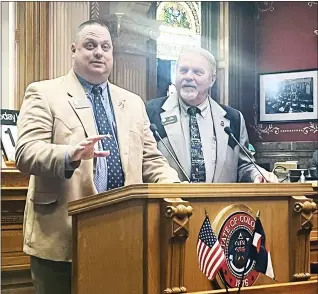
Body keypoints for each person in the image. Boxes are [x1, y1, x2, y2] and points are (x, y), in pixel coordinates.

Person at [15, 20, 180, 294]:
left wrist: (176, 187)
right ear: (74, 50)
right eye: (90, 46)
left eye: (105, 47)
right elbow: (26, 151)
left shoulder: (132, 102)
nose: (98, 53)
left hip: (124, 234)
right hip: (62, 236)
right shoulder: (44, 93)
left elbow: (150, 160)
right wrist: (69, 154)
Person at [146, 47, 278, 183]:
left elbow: (244, 165)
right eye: (183, 70)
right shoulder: (150, 112)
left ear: (212, 79)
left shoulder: (233, 119)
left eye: (197, 72)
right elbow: (144, 162)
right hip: (169, 202)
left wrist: (257, 175)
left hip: (220, 203)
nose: (188, 77)